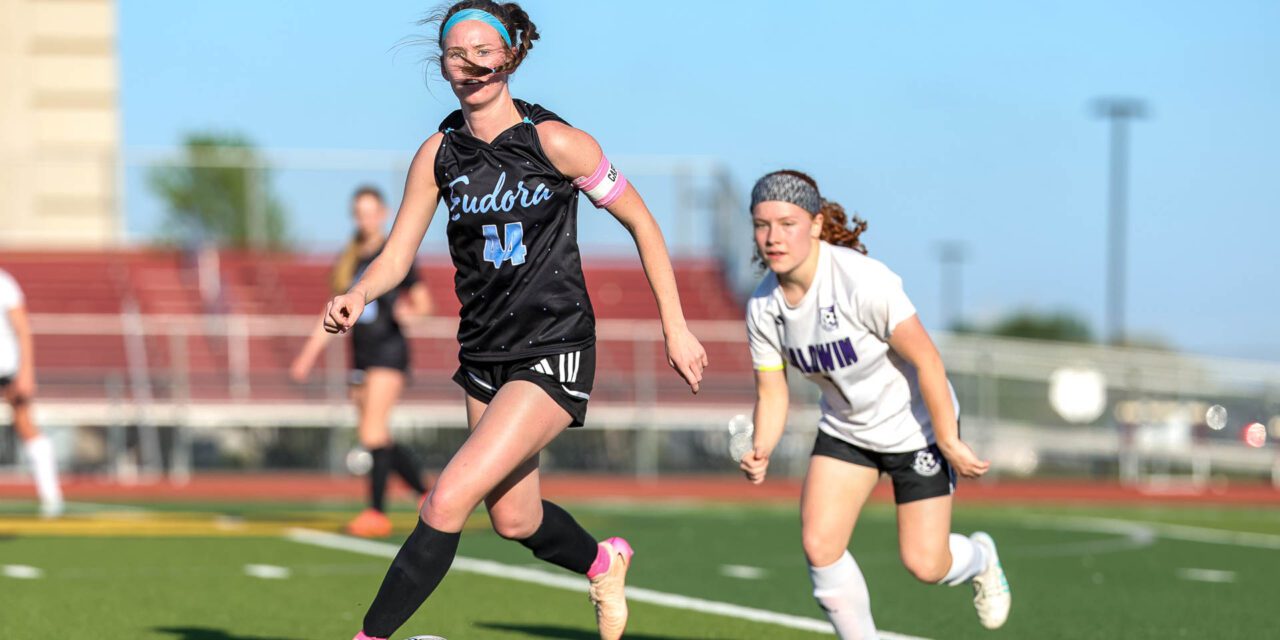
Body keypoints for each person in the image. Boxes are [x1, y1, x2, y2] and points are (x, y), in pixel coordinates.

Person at [322, 3, 708, 639]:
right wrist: (358, 293)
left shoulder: (555, 141)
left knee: (446, 498)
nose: (470, 64)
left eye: (483, 51)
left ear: (510, 57)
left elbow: (642, 222)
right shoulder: (438, 153)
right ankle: (604, 561)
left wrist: (676, 325)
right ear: (441, 63)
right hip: (483, 355)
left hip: (553, 347)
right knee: (515, 519)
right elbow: (396, 255)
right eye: (456, 53)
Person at [739, 170, 1010, 638]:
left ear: (817, 224)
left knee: (926, 564)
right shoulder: (763, 308)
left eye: (787, 223)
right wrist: (761, 445)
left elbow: (927, 359)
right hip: (846, 432)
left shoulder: (860, 282)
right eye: (762, 225)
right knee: (820, 544)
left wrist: (948, 438)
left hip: (916, 430)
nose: (773, 237)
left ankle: (982, 558)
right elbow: (772, 391)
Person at [291, 186, 434, 538]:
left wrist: (409, 313)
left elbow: (424, 305)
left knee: (372, 431)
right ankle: (426, 493)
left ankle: (376, 512)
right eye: (359, 212)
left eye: (371, 212)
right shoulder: (351, 258)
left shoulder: (394, 255)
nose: (365, 218)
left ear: (383, 214)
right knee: (375, 435)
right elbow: (334, 312)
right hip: (361, 356)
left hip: (388, 354)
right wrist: (308, 355)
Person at [0, 268, 64, 518]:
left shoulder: (3, 282)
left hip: (7, 366)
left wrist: (26, 371)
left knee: (25, 424)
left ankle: (51, 497)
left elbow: (23, 328)